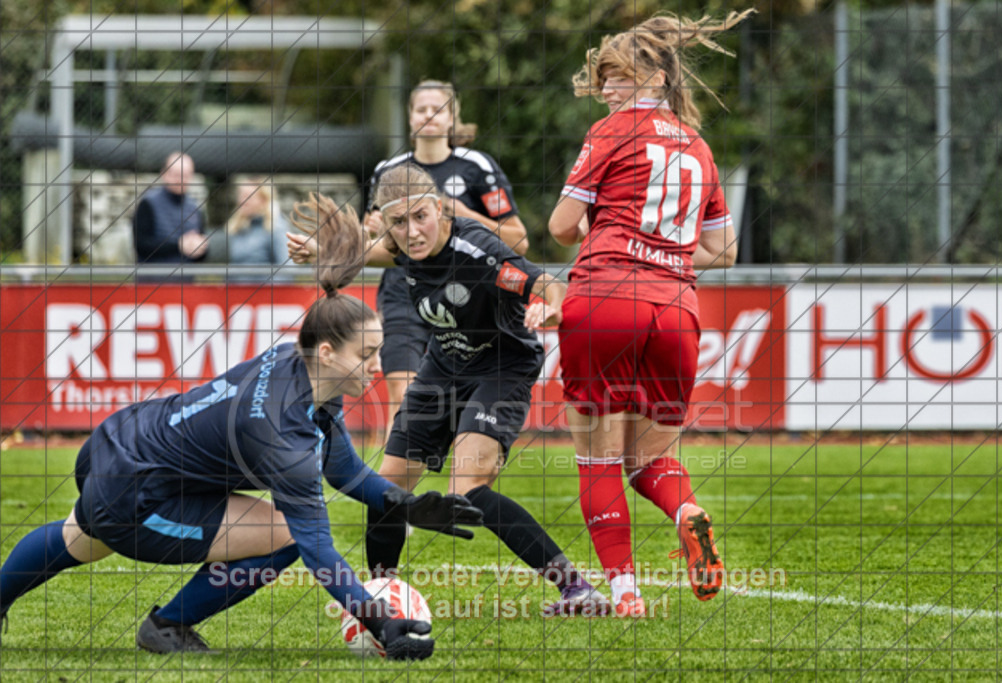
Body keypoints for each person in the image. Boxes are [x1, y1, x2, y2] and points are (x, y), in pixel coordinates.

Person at [0, 194, 483, 659]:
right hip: (135, 492)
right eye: (368, 354)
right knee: (286, 534)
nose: (377, 365)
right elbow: (317, 550)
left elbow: (345, 470)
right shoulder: (280, 433)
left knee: (82, 539)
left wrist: (408, 504)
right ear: (328, 353)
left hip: (117, 444)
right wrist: (380, 623)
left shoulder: (299, 362)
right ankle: (167, 626)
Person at [289, 163, 610, 617]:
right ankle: (380, 597)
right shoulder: (402, 248)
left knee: (468, 488)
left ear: (438, 208)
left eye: (421, 216)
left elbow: (547, 283)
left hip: (501, 367)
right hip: (442, 369)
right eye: (398, 222)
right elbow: (361, 253)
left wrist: (549, 308)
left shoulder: (478, 251)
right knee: (389, 490)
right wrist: (319, 251)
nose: (412, 232)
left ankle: (577, 590)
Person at [548, 10, 753, 616]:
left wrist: (606, 233)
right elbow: (726, 250)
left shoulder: (609, 132)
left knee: (598, 454)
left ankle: (626, 593)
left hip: (604, 297)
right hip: (675, 306)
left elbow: (561, 228)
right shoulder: (699, 145)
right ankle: (687, 511)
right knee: (651, 460)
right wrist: (663, 255)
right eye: (605, 78)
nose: (608, 89)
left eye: (620, 76)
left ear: (658, 77)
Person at [364, 80, 530, 441]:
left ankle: (466, 472)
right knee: (402, 393)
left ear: (452, 118)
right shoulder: (387, 172)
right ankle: (400, 489)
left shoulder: (477, 167)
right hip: (403, 293)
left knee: (460, 406)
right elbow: (374, 244)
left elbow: (519, 239)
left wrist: (467, 214)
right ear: (409, 118)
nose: (428, 116)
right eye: (420, 109)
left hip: (465, 299)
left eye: (437, 109)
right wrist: (368, 235)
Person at [133, 152, 208, 265]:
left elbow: (202, 256)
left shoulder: (195, 208)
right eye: (177, 174)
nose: (181, 180)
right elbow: (141, 246)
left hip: (185, 281)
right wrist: (179, 245)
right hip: (152, 280)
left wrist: (200, 248)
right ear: (164, 173)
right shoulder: (148, 204)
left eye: (186, 175)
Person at [225, 176, 291, 271]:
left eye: (247, 197)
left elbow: (286, 269)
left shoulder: (276, 227)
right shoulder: (238, 229)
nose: (241, 201)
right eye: (240, 195)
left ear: (264, 199)